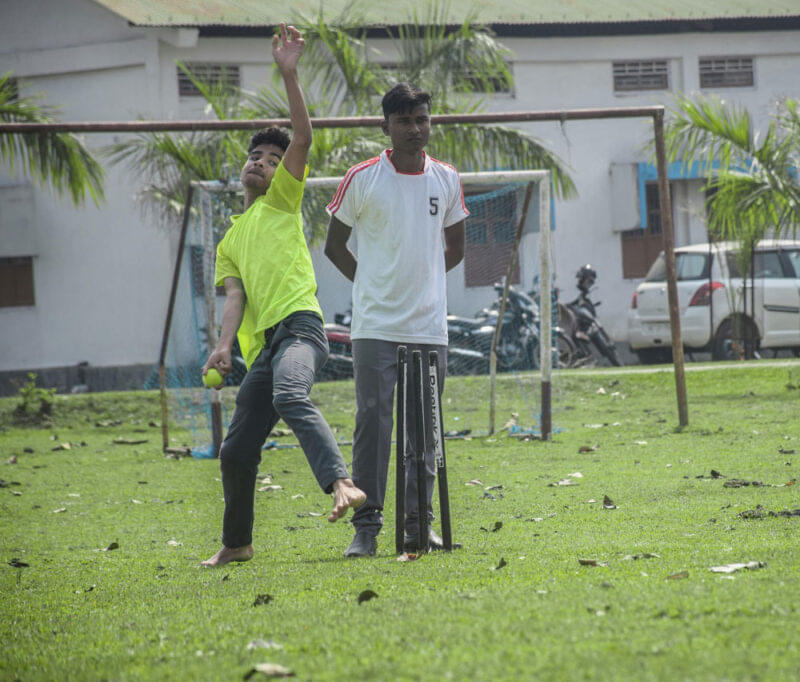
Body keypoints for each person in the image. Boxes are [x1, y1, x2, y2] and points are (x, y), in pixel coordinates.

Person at [201, 24, 365, 568]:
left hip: (301, 330)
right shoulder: (231, 238)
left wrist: (289, 74)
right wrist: (225, 347)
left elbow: (302, 137)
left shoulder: (281, 204)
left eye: (273, 160)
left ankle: (341, 482)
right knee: (235, 448)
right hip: (264, 349)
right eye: (256, 156)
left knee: (291, 396)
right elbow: (234, 297)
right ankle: (238, 542)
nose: (263, 162)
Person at [324, 82, 468, 557]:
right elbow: (334, 246)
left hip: (428, 326)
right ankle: (366, 527)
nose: (415, 128)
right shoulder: (362, 177)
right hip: (375, 326)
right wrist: (373, 284)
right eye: (404, 121)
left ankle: (417, 524)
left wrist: (419, 281)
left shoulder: (446, 178)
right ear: (384, 126)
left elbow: (456, 249)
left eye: (422, 119)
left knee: (425, 430)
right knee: (373, 424)